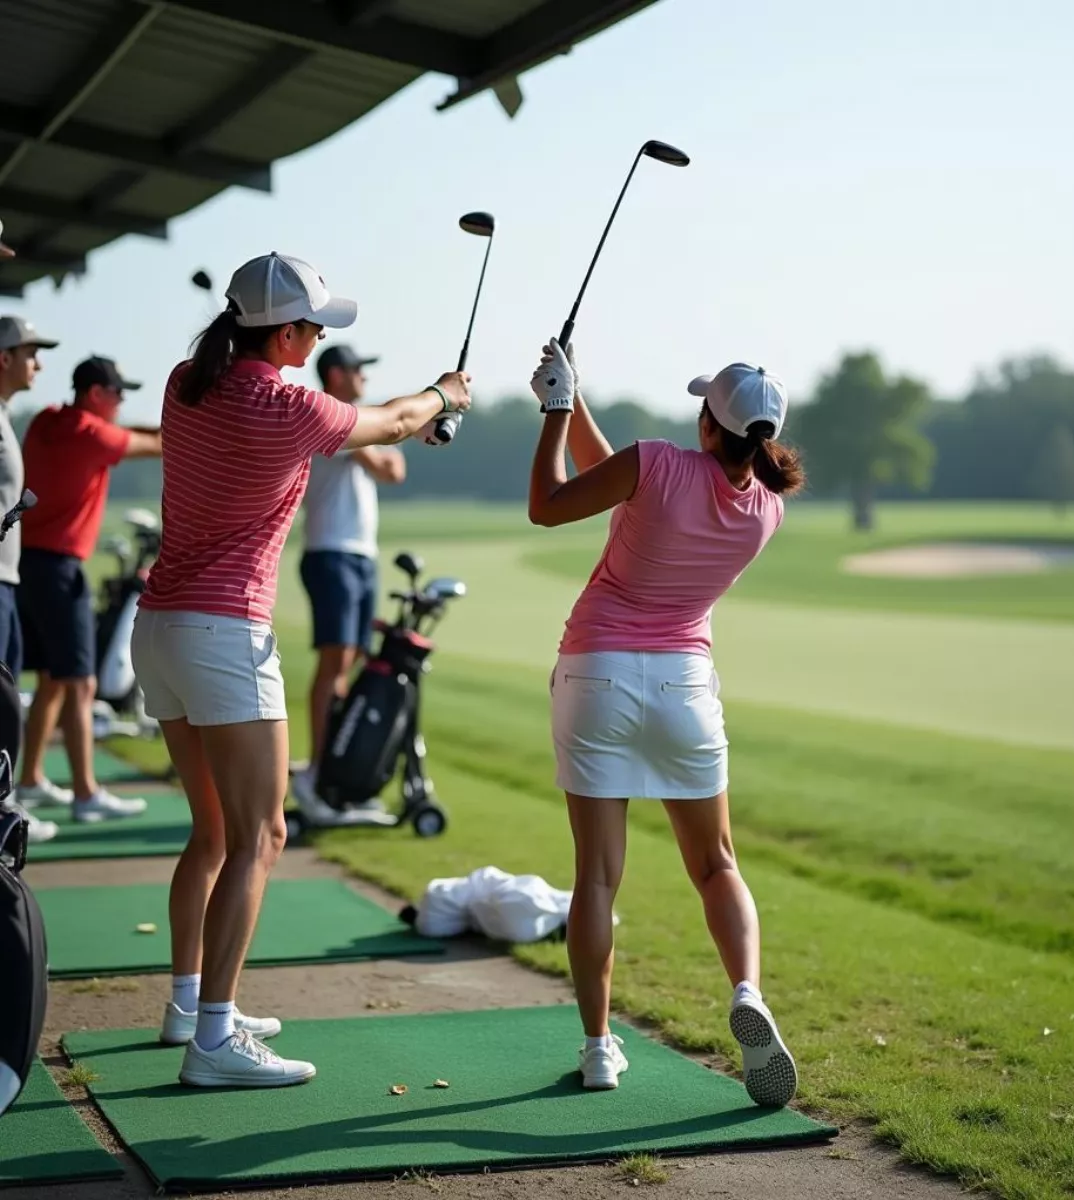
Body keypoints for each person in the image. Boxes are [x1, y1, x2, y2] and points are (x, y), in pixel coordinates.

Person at [130, 251, 470, 1088]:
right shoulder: (284, 402)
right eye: (314, 327)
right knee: (263, 833)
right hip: (222, 637)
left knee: (211, 830)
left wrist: (408, 414)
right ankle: (214, 1043)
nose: (320, 338)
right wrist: (446, 395)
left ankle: (189, 1005)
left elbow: (372, 427)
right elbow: (385, 424)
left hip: (160, 630)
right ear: (284, 334)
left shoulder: (185, 379)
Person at [526, 339, 805, 1106]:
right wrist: (574, 395)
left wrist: (552, 411)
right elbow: (624, 482)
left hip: (597, 675)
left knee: (597, 876)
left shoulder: (656, 462)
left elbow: (550, 503)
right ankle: (746, 991)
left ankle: (597, 1050)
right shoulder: (766, 511)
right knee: (715, 865)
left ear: (706, 424)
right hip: (684, 688)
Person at [15, 356, 161, 824]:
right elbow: (155, 443)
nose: (120, 404)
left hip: (26, 565)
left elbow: (129, 432)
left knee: (54, 681)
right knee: (82, 683)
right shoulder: (94, 435)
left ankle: (32, 778)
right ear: (97, 394)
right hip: (60, 568)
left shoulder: (46, 421)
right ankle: (85, 793)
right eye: (117, 395)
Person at [292, 343, 406, 821]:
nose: (365, 378)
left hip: (360, 555)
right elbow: (382, 463)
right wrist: (377, 434)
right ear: (336, 374)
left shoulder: (355, 424)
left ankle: (333, 765)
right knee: (334, 663)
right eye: (359, 370)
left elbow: (395, 471)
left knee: (351, 662)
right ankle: (318, 772)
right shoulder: (327, 420)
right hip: (329, 552)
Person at [0, 316, 58, 844]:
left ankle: (4, 807)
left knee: (7, 697)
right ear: (4, 358)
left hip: (7, 580)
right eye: (31, 353)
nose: (38, 364)